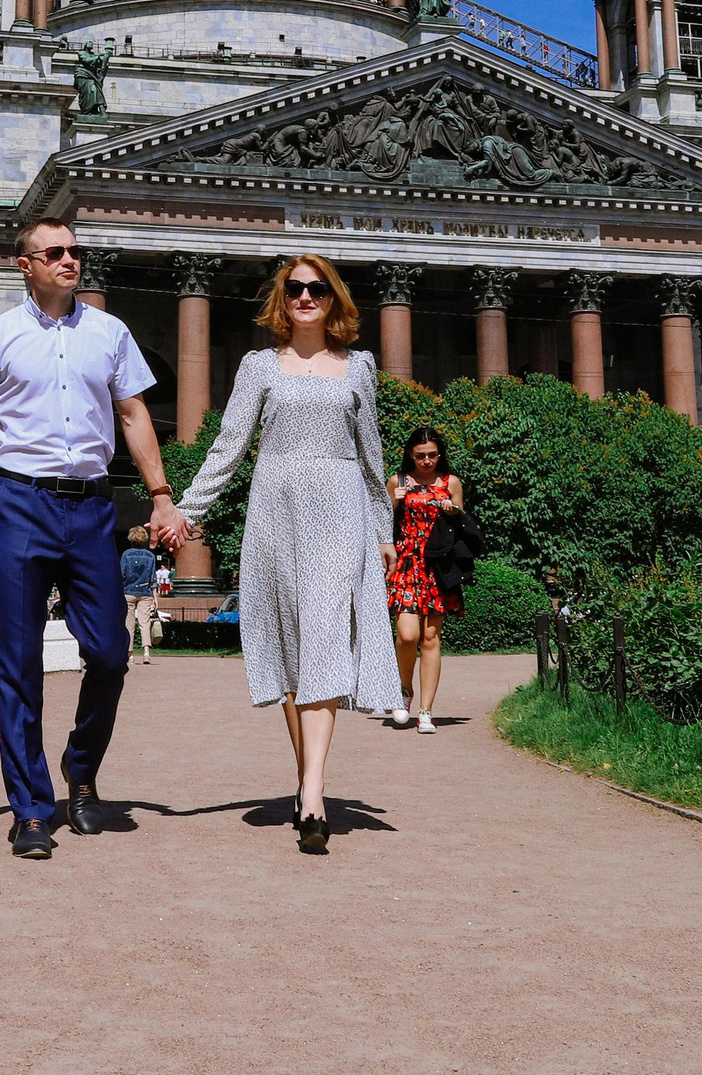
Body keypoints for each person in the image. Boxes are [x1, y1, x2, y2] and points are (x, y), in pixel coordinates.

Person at [0, 216, 180, 860]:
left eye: (76, 251)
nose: (70, 260)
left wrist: (161, 495)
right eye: (55, 252)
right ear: (25, 264)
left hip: (92, 506)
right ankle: (31, 810)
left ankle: (81, 770)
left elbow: (133, 414)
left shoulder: (110, 333)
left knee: (108, 651)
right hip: (20, 502)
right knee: (19, 662)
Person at [174, 253, 402, 856]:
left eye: (318, 289)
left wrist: (384, 532)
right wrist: (186, 513)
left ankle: (312, 794)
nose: (306, 297)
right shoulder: (256, 366)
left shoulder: (358, 368)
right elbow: (229, 446)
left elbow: (374, 457)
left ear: (335, 300)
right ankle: (310, 779)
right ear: (283, 298)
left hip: (340, 511)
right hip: (275, 513)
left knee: (326, 638)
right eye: (295, 288)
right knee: (292, 657)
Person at [386, 426, 480, 734]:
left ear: (440, 455)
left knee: (430, 638)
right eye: (420, 456)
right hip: (407, 563)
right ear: (410, 455)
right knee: (407, 635)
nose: (427, 461)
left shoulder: (450, 482)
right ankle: (403, 688)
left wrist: (453, 510)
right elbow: (382, 526)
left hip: (439, 565)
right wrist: (394, 504)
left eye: (432, 455)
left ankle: (426, 711)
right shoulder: (397, 482)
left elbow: (464, 525)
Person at [121, 526, 159, 667]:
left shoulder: (126, 554)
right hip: (145, 593)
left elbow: (121, 574)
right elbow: (152, 578)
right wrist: (155, 597)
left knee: (128, 624)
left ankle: (130, 654)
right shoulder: (150, 556)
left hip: (128, 592)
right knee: (145, 623)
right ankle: (146, 652)